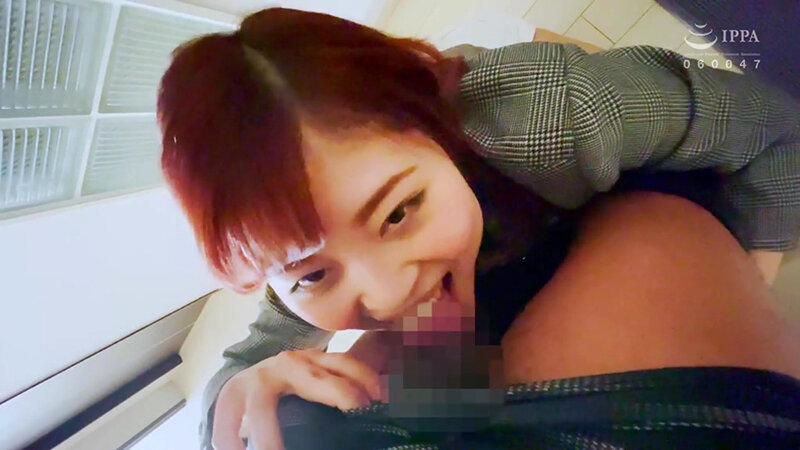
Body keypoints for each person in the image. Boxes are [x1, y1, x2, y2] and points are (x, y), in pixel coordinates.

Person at [156, 8, 800, 449]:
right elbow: (235, 380)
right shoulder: (309, 257)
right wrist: (242, 393)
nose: (384, 296)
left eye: (397, 212)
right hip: (487, 272)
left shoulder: (557, 108)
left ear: (433, 125)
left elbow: (779, 127)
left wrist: (751, 263)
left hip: (622, 199)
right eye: (314, 272)